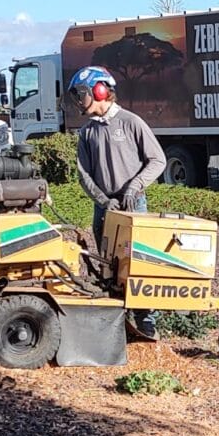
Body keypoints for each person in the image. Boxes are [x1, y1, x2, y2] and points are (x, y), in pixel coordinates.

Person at [70, 66, 166, 336]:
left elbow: (158, 160)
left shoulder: (131, 122)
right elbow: (83, 174)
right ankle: (114, 318)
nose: (79, 100)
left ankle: (147, 319)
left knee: (139, 264)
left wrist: (134, 187)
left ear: (100, 91)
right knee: (108, 265)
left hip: (135, 207)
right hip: (105, 210)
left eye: (82, 94)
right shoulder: (87, 132)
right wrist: (103, 200)